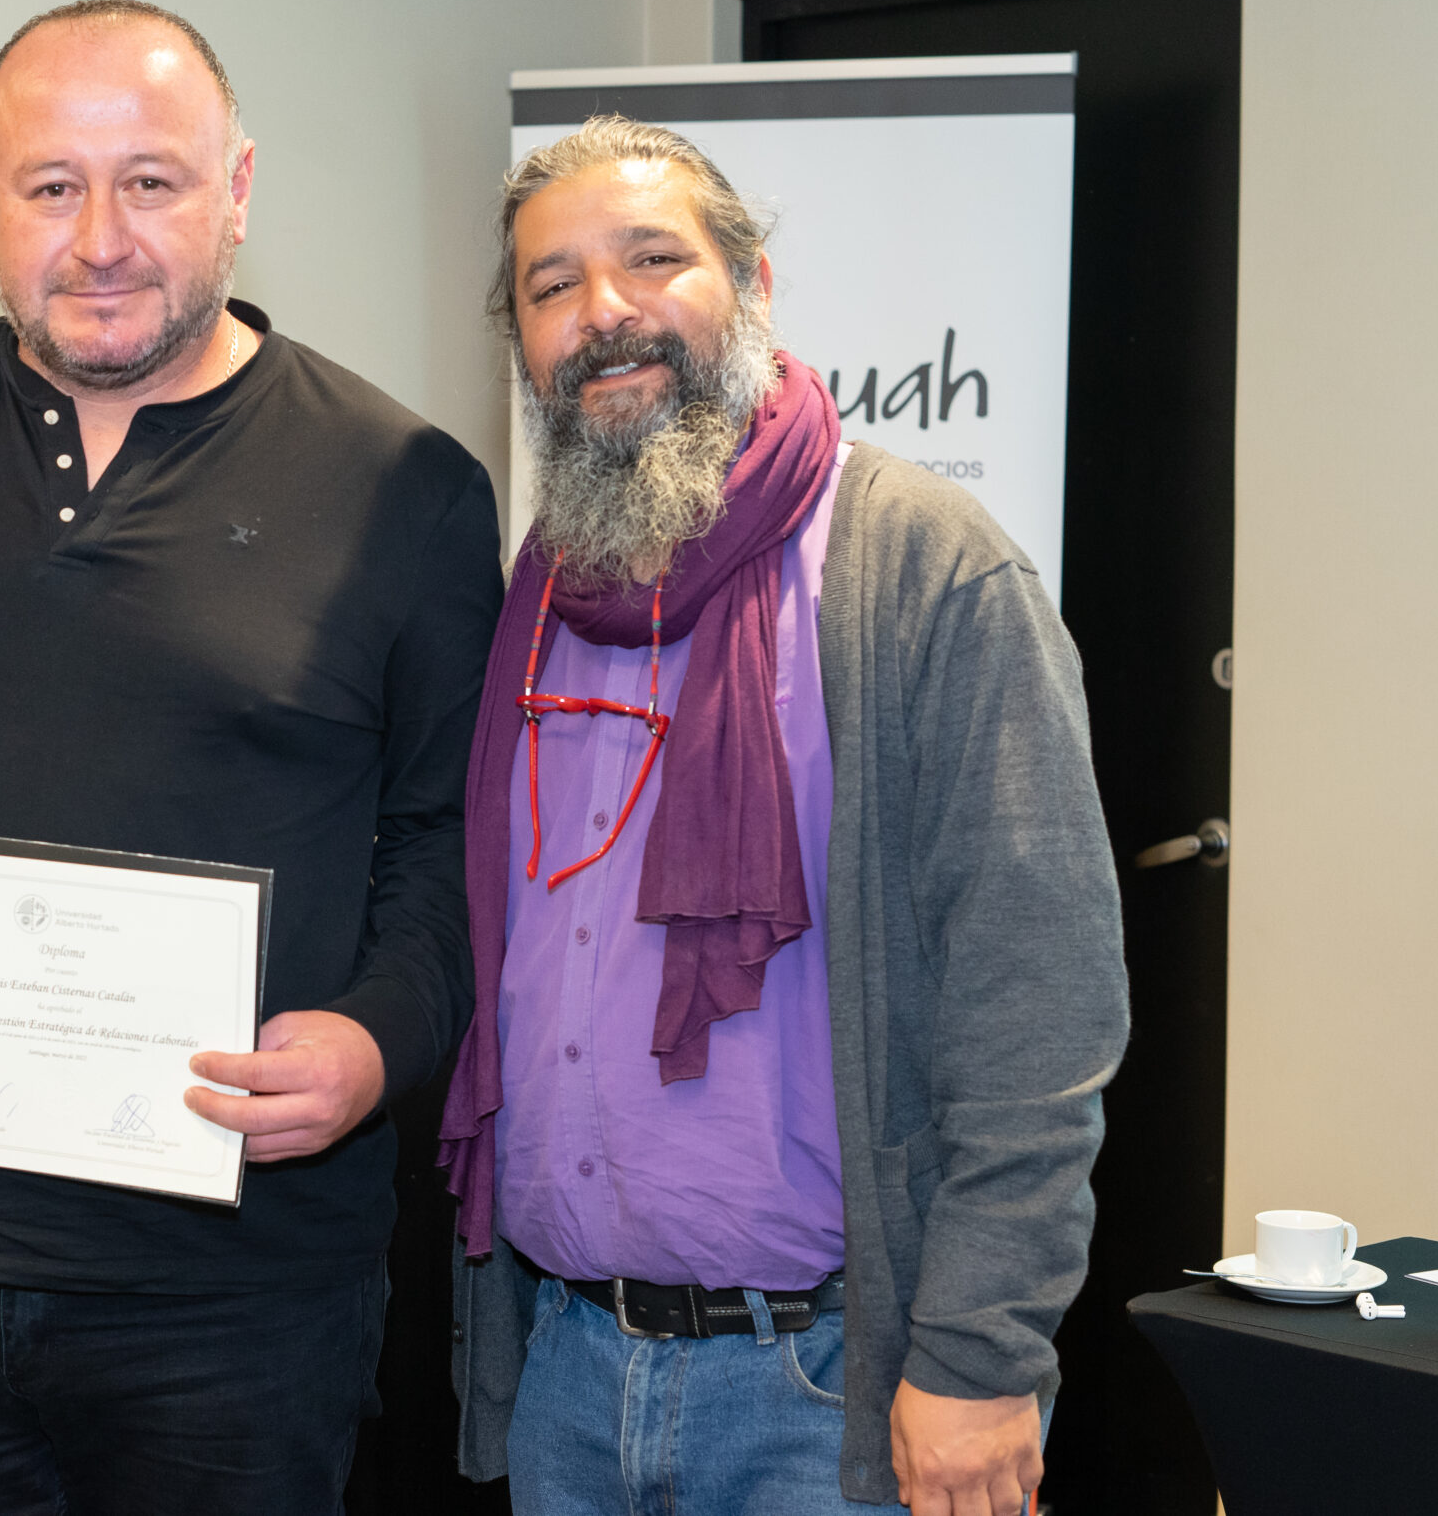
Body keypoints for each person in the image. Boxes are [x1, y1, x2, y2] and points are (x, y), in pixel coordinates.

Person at [0, 0, 503, 1515]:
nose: (100, 239)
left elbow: (454, 845)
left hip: (240, 1308)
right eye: (51, 185)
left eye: (151, 181)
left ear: (238, 189)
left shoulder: (400, 486)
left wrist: (374, 1042)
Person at [438, 116, 1129, 1516]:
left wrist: (980, 1355)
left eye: (653, 259)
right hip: (570, 1363)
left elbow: (1037, 1004)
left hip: (828, 1387)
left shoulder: (919, 566)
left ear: (751, 286)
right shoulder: (541, 592)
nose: (604, 310)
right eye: (552, 284)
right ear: (523, 341)